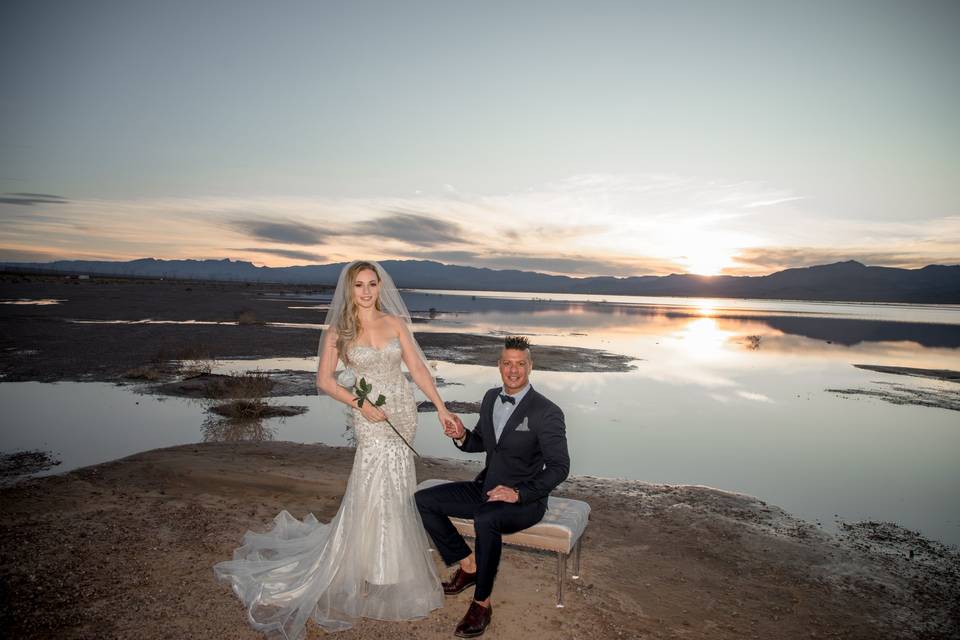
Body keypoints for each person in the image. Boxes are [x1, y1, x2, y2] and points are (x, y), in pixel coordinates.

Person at [214, 260, 458, 638]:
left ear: (380, 287)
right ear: (349, 289)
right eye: (358, 285)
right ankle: (364, 562)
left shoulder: (395, 324)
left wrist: (441, 407)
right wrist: (360, 404)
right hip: (370, 415)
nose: (365, 291)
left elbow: (418, 370)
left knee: (397, 484)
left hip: (401, 412)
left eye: (372, 284)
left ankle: (390, 565)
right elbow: (324, 381)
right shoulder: (338, 330)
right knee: (371, 480)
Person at [415, 335, 570, 638]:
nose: (513, 370)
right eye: (507, 364)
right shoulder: (489, 398)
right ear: (499, 365)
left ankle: (481, 604)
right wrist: (460, 435)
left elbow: (560, 467)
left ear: (530, 366)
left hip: (524, 502)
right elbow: (482, 443)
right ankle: (469, 565)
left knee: (487, 518)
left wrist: (519, 493)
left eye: (520, 364)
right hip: (486, 489)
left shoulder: (547, 411)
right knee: (423, 501)